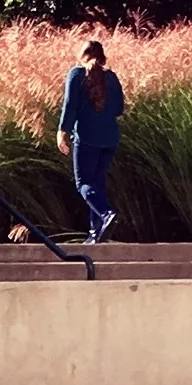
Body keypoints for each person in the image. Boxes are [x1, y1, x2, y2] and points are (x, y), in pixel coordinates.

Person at [57, 38, 126, 243]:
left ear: (82, 55)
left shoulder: (76, 74)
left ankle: (106, 215)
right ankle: (96, 234)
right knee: (97, 184)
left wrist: (63, 131)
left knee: (83, 184)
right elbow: (119, 109)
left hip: (87, 138)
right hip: (110, 139)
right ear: (103, 57)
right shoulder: (111, 77)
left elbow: (70, 105)